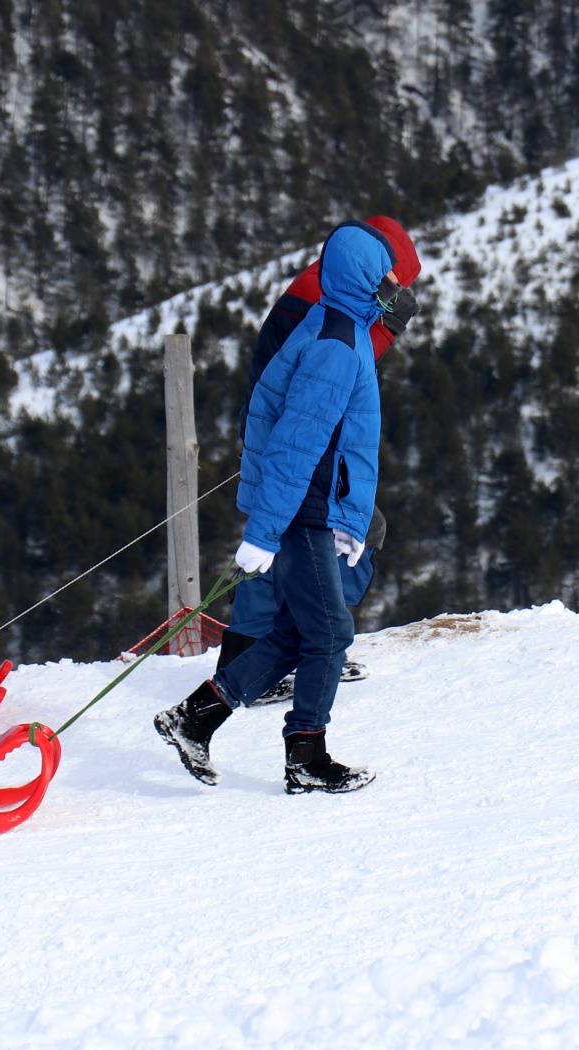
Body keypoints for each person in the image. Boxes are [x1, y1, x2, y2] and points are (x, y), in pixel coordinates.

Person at [154, 221, 399, 793]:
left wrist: (350, 516)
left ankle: (194, 718)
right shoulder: (337, 346)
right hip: (304, 508)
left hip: (314, 503)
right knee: (330, 633)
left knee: (295, 631)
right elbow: (296, 443)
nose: (395, 284)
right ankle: (306, 758)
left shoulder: (342, 324)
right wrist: (264, 533)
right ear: (362, 276)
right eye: (385, 274)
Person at [217, 215, 421, 702]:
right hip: (302, 442)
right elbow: (334, 369)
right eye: (395, 279)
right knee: (312, 540)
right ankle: (294, 651)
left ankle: (298, 647)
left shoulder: (331, 281)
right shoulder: (330, 300)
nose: (396, 290)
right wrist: (389, 325)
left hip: (296, 434)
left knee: (314, 540)